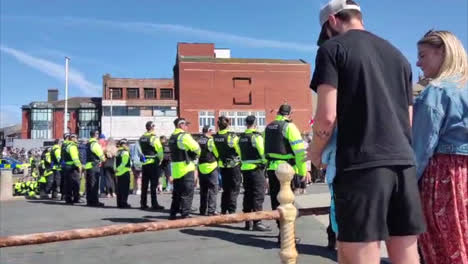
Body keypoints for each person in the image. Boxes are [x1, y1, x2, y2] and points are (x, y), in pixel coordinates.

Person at [308, 1, 426, 263]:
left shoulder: (333, 49)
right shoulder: (398, 56)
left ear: (332, 22)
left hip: (361, 164)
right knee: (405, 249)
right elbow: (408, 119)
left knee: (358, 251)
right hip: (403, 163)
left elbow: (326, 116)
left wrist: (315, 153)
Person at [412, 30, 468, 264]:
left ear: (442, 53)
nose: (418, 62)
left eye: (423, 55)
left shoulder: (435, 93)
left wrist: (407, 186)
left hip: (444, 178)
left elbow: (420, 149)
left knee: (443, 247)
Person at [264, 104, 307, 243]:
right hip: (287, 170)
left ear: (278, 112)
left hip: (272, 169)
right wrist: (302, 171)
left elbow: (264, 149)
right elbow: (300, 152)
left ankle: (281, 232)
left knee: (276, 202)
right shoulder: (290, 127)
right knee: (288, 203)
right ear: (290, 113)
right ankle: (287, 236)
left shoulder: (268, 127)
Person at [237, 115, 271, 231]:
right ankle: (258, 222)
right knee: (258, 195)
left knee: (247, 195)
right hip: (256, 169)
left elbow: (239, 153)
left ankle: (248, 222)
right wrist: (265, 162)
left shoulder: (240, 137)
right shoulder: (256, 137)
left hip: (245, 169)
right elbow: (263, 152)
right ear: (255, 124)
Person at [168, 118, 200, 220]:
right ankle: (185, 214)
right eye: (186, 124)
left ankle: (173, 213)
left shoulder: (172, 137)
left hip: (176, 169)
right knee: (187, 192)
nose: (187, 127)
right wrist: (196, 154)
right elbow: (196, 148)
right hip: (186, 167)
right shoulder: (184, 136)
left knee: (177, 193)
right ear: (181, 125)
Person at [212, 116, 242, 214]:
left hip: (222, 165)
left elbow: (216, 153)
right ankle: (232, 211)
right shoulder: (232, 136)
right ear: (228, 124)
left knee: (226, 189)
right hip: (233, 165)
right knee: (234, 189)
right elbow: (239, 150)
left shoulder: (215, 137)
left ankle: (224, 210)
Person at [139, 121, 164, 210]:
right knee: (153, 185)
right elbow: (160, 150)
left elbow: (141, 150)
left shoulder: (142, 138)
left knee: (144, 185)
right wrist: (161, 159)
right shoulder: (154, 138)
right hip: (153, 163)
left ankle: (143, 203)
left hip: (145, 163)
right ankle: (154, 204)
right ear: (152, 127)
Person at [321, 129, 338, 250]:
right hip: (354, 178)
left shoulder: (335, 135)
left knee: (335, 208)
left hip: (336, 178)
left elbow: (324, 160)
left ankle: (333, 238)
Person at [197, 125, 219, 216]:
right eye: (212, 131)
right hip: (211, 166)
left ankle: (202, 210)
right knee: (213, 189)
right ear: (209, 131)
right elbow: (216, 152)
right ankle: (211, 210)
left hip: (201, 166)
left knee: (203, 190)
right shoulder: (211, 140)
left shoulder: (198, 140)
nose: (213, 132)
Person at [84, 130, 106, 207]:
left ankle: (89, 200)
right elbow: (100, 154)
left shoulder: (88, 144)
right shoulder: (95, 144)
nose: (98, 135)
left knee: (89, 184)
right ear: (96, 135)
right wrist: (103, 159)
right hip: (94, 165)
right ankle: (94, 201)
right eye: (97, 134)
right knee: (94, 184)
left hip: (88, 166)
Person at [63, 134, 83, 204]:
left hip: (67, 166)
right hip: (73, 167)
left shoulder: (66, 146)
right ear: (73, 138)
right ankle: (76, 198)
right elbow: (75, 158)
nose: (77, 139)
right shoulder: (72, 146)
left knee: (68, 184)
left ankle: (68, 199)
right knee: (76, 183)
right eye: (76, 138)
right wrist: (79, 166)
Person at [115, 138, 132, 208]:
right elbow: (124, 163)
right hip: (124, 171)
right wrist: (119, 169)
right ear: (124, 144)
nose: (128, 146)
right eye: (127, 144)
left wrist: (116, 170)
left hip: (118, 173)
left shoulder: (118, 151)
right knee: (125, 189)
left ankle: (119, 203)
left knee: (119, 189)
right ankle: (124, 203)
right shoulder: (125, 152)